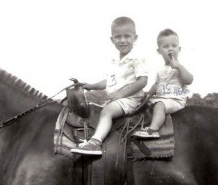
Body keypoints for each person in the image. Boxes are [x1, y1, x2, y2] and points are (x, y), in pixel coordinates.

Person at [70, 16, 148, 155]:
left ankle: (95, 143)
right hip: (117, 99)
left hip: (131, 99)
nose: (122, 40)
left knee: (107, 112)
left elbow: (142, 81)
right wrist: (91, 86)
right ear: (112, 39)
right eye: (118, 37)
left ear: (135, 38)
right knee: (94, 110)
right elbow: (109, 82)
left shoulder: (138, 57)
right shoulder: (114, 61)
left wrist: (120, 94)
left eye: (127, 36)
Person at [133, 28, 193, 137]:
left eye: (174, 46)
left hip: (175, 100)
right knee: (143, 105)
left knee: (159, 105)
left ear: (179, 49)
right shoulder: (160, 69)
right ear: (159, 51)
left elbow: (189, 80)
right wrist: (147, 95)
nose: (170, 49)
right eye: (166, 47)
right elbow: (156, 85)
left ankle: (153, 130)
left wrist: (179, 67)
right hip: (162, 98)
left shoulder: (181, 67)